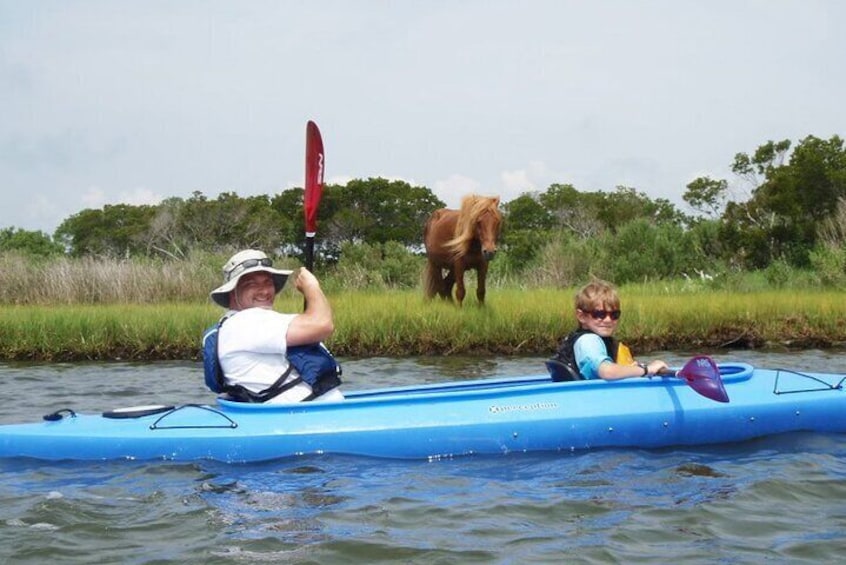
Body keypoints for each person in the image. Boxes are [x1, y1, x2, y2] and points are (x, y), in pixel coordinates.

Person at [208, 249, 344, 403]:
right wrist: (312, 287)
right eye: (251, 284)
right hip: (303, 418)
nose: (264, 291)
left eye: (268, 283)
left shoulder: (236, 325)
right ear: (233, 292)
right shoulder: (247, 321)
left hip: (304, 414)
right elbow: (322, 324)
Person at [548, 279, 668, 381]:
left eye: (614, 314)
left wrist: (631, 370)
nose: (608, 320)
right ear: (581, 316)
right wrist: (646, 369)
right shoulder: (589, 341)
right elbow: (607, 372)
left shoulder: (588, 339)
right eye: (599, 314)